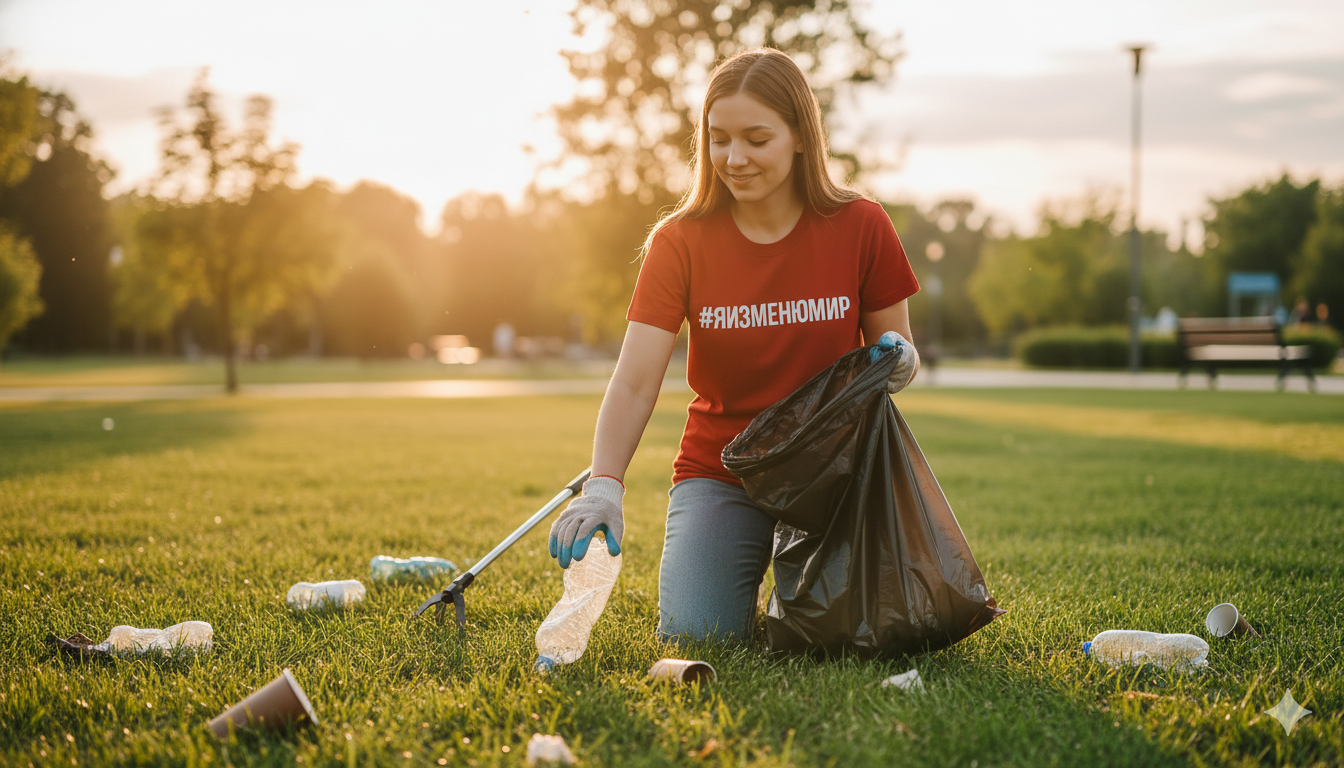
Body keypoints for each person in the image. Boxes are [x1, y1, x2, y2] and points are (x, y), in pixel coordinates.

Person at [548, 48, 921, 642]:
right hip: (723, 470)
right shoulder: (679, 241)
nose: (734, 158)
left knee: (855, 635)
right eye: (719, 139)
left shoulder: (862, 225)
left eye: (756, 138)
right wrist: (605, 485)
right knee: (696, 635)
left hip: (836, 473)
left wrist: (900, 361)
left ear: (801, 137)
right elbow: (636, 378)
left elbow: (893, 357)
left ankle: (794, 589)